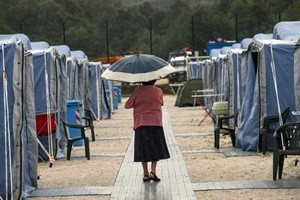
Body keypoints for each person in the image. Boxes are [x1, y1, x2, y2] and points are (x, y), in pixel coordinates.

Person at [125, 80, 170, 182]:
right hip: (156, 123)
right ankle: (153, 171)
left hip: (141, 123)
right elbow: (161, 103)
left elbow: (127, 105)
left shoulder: (137, 91)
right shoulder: (159, 91)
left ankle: (145, 173)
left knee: (143, 148)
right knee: (156, 147)